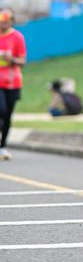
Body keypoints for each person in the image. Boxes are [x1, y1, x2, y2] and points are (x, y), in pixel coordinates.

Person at [0, 8, 27, 160]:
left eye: (7, 21)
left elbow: (22, 61)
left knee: (8, 114)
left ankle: (2, 146)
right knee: (1, 110)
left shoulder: (17, 37)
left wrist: (11, 59)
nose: (4, 24)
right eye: (1, 21)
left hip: (12, 82)